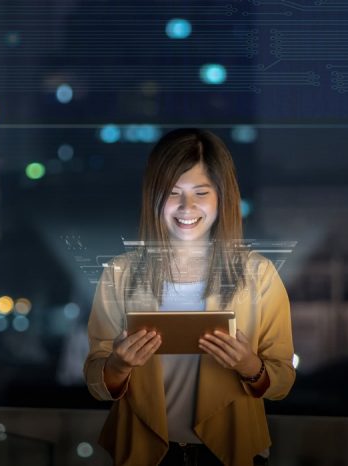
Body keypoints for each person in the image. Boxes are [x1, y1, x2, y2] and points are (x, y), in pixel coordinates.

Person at [84, 128, 294, 466]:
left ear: (222, 197)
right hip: (145, 452)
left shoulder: (259, 274)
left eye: (201, 192)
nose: (187, 207)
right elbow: (95, 378)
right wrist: (118, 365)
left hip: (231, 450)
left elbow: (282, 379)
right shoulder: (120, 274)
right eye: (173, 193)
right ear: (153, 196)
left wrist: (250, 368)